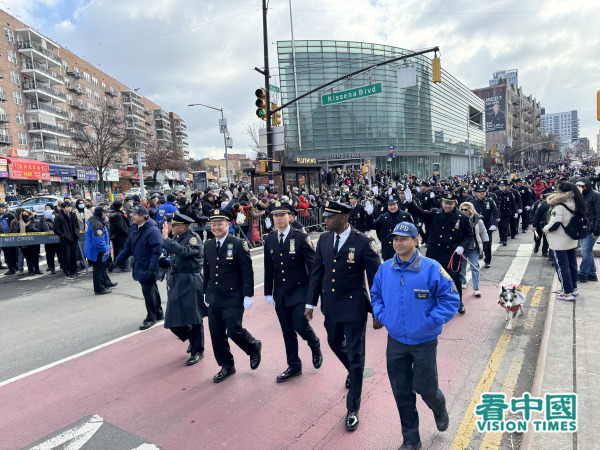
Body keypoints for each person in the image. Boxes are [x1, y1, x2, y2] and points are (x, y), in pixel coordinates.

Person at [370, 222, 459, 450]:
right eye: (395, 239)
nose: (398, 243)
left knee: (426, 388)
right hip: (396, 341)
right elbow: (376, 294)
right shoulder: (385, 269)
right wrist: (383, 315)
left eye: (403, 239)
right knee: (402, 392)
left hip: (424, 342)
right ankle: (411, 439)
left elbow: (450, 299)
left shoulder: (431, 268)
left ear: (415, 241)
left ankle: (438, 407)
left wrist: (429, 321)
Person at [305, 200, 382, 432]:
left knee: (357, 356)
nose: (325, 220)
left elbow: (375, 278)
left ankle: (353, 408)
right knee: (333, 342)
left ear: (343, 218)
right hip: (331, 305)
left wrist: (378, 311)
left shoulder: (363, 242)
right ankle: (354, 370)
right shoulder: (324, 240)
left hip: (355, 307)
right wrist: (310, 303)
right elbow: (317, 272)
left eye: (330, 217)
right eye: (325, 216)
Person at [263, 202, 321, 383]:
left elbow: (313, 267)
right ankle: (294, 365)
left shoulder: (301, 237)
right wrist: (267, 291)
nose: (279, 219)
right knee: (287, 330)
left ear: (290, 217)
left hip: (300, 290)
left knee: (300, 325)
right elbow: (268, 267)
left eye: (282, 215)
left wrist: (314, 294)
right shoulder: (269, 239)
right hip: (280, 292)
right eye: (275, 215)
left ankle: (314, 343)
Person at [203, 208, 262, 383]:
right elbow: (207, 271)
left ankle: (253, 347)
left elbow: (247, 272)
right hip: (214, 296)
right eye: (213, 225)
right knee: (216, 333)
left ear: (227, 225)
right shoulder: (208, 245)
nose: (215, 228)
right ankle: (227, 365)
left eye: (219, 224)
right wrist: (205, 291)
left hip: (233, 297)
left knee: (234, 330)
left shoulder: (238, 244)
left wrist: (248, 295)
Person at [405, 190, 473, 314]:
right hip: (435, 253)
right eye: (446, 203)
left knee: (455, 279)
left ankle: (459, 302)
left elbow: (468, 236)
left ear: (455, 203)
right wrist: (410, 202)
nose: (447, 206)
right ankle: (431, 302)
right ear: (442, 203)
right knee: (431, 279)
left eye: (450, 203)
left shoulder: (462, 217)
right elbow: (419, 212)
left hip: (452, 254)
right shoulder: (434, 213)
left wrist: (462, 247)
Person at [161, 211, 207, 366]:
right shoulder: (177, 237)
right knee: (172, 319)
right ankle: (192, 339)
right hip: (177, 280)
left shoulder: (193, 238)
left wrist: (167, 240)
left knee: (194, 318)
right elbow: (175, 258)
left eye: (174, 225)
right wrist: (167, 263)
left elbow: (185, 252)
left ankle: (198, 350)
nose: (171, 227)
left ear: (183, 226)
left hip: (190, 280)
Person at [110, 205, 164, 329]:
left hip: (148, 266)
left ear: (143, 216)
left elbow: (157, 251)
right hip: (140, 265)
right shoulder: (135, 228)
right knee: (152, 290)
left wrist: (152, 268)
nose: (131, 216)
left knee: (148, 292)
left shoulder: (152, 231)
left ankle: (151, 317)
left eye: (134, 214)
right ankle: (158, 312)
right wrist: (117, 261)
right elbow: (128, 247)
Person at [542, 182, 588, 301]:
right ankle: (573, 288)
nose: (556, 191)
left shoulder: (560, 206)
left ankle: (567, 292)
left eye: (558, 189)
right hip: (571, 239)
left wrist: (544, 228)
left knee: (562, 266)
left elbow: (554, 225)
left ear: (561, 191)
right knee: (572, 264)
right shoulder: (577, 202)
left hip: (559, 241)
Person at [367, 194, 414, 261]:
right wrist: (369, 215)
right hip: (388, 249)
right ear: (387, 206)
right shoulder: (383, 217)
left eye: (394, 204)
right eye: (390, 205)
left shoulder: (406, 216)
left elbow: (413, 232)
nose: (392, 207)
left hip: (403, 248)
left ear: (397, 204)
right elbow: (372, 226)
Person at [84, 206, 116, 295]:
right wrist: (104, 250)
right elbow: (98, 240)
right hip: (97, 250)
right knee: (98, 269)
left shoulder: (93, 220)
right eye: (104, 213)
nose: (106, 214)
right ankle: (99, 289)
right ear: (100, 213)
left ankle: (106, 282)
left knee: (101, 268)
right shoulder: (97, 224)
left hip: (93, 249)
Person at [458, 202, 488, 297]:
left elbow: (483, 232)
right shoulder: (458, 219)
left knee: (474, 266)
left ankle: (476, 288)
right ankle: (463, 281)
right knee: (461, 267)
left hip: (473, 247)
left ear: (470, 210)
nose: (463, 211)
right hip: (462, 247)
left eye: (466, 209)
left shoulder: (477, 220)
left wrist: (485, 242)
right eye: (462, 209)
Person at [575, 177, 600, 282]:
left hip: (592, 228)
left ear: (587, 185)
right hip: (583, 227)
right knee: (587, 250)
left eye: (582, 186)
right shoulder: (580, 196)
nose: (581, 188)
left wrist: (596, 230)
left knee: (585, 251)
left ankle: (583, 273)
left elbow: (599, 214)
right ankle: (592, 273)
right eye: (579, 186)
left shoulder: (596, 195)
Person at [472, 185, 499, 268]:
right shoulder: (473, 202)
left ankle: (487, 261)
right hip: (476, 226)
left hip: (487, 225)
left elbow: (495, 213)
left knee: (487, 244)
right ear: (477, 193)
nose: (482, 193)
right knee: (476, 244)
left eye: (483, 192)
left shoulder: (490, 201)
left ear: (486, 192)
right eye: (480, 192)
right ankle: (477, 259)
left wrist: (494, 224)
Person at [52, 202, 81, 279]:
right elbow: (55, 228)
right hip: (65, 239)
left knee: (74, 255)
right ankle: (67, 271)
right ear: (63, 208)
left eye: (70, 207)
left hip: (74, 238)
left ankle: (74, 270)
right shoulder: (59, 217)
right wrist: (62, 235)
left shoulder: (73, 215)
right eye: (67, 207)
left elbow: (77, 225)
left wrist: (77, 233)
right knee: (66, 256)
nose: (69, 208)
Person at [108, 201, 131, 272]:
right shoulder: (119, 216)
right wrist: (127, 232)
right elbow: (121, 226)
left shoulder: (113, 214)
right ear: (121, 207)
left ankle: (117, 265)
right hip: (121, 236)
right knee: (122, 250)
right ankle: (123, 266)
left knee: (117, 250)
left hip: (115, 236)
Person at [495, 180, 517, 246]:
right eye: (500, 186)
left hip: (507, 213)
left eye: (503, 186)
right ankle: (501, 238)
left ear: (505, 187)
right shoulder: (496, 193)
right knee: (500, 226)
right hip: (499, 213)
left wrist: (515, 212)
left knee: (505, 226)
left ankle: (505, 240)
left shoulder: (509, 193)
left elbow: (513, 203)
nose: (501, 187)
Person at [0, 203, 18, 275]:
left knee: (12, 253)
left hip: (10, 237)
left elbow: (15, 225)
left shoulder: (10, 215)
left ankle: (13, 268)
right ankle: (11, 267)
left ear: (4, 208)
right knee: (6, 254)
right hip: (2, 238)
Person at [42, 208, 60, 274]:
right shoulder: (45, 222)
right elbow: (47, 231)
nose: (53, 215)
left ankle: (62, 265)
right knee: (50, 256)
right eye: (52, 214)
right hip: (49, 242)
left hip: (57, 241)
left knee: (60, 254)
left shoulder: (56, 220)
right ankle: (52, 268)